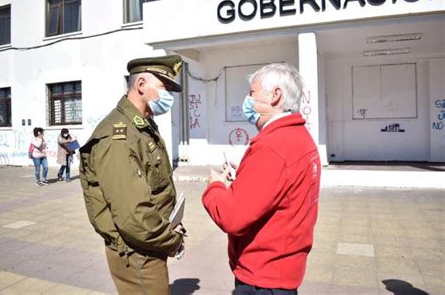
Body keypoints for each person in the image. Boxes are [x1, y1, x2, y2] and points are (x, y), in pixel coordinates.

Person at [202, 63, 321, 295]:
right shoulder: (297, 137)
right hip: (281, 269)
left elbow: (232, 217)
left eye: (252, 93)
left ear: (275, 95)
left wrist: (215, 186)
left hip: (263, 278)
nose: (247, 99)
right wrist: (245, 175)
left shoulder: (273, 145)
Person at [79, 54, 186, 294]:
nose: (168, 95)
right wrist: (172, 240)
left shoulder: (140, 125)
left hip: (148, 243)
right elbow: (133, 215)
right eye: (164, 86)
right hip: (137, 250)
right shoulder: (119, 135)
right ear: (140, 86)